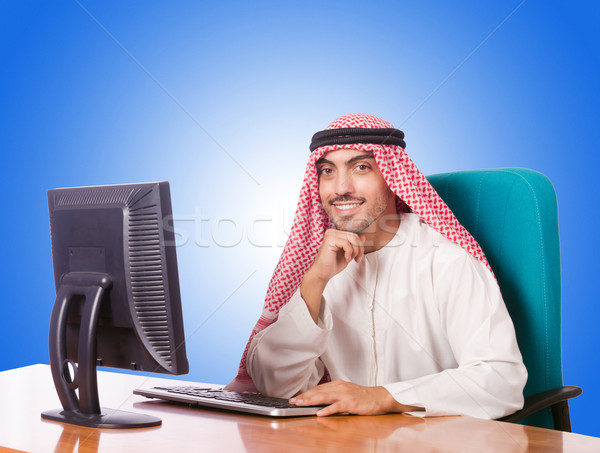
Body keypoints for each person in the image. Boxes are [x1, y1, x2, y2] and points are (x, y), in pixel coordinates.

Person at [226, 113, 527, 419]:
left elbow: (501, 381)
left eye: (361, 167)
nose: (341, 187)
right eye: (327, 171)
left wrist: (384, 397)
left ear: (392, 177)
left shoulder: (444, 258)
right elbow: (276, 389)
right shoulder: (322, 265)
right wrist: (315, 281)